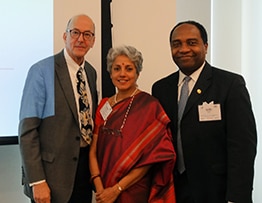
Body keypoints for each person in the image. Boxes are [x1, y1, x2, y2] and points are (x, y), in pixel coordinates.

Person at [152, 20, 257, 203]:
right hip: (173, 190)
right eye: (177, 44)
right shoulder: (161, 89)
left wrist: (237, 197)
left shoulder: (230, 85)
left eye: (191, 43)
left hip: (216, 191)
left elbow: (243, 147)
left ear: (205, 46)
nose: (183, 49)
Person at [18, 14, 98, 203]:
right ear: (65, 36)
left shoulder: (91, 73)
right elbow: (27, 131)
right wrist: (37, 181)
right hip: (51, 178)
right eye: (75, 32)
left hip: (83, 173)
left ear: (93, 41)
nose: (81, 39)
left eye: (87, 34)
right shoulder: (41, 71)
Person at [89, 45, 176, 203]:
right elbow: (93, 151)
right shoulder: (103, 105)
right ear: (110, 72)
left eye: (129, 69)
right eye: (116, 69)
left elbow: (151, 159)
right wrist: (100, 188)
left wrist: (117, 189)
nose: (122, 74)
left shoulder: (150, 106)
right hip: (103, 190)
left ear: (137, 73)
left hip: (135, 189)